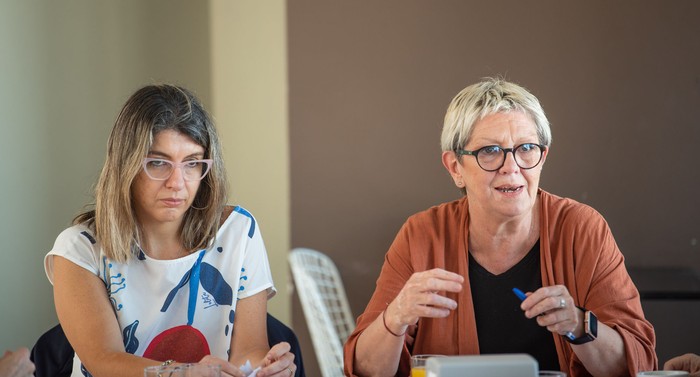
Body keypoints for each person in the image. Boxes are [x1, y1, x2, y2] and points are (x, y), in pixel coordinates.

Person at [343, 77, 656, 377]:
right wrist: (395, 317)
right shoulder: (422, 235)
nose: (512, 167)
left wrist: (578, 324)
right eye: (490, 151)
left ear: (542, 157)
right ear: (455, 167)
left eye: (526, 148)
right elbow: (366, 370)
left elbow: (636, 364)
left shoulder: (582, 229)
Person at [44, 84, 296, 377]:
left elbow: (248, 352)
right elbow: (104, 360)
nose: (177, 182)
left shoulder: (238, 232)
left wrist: (265, 368)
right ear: (126, 165)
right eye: (158, 163)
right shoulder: (78, 248)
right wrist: (182, 373)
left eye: (192, 163)